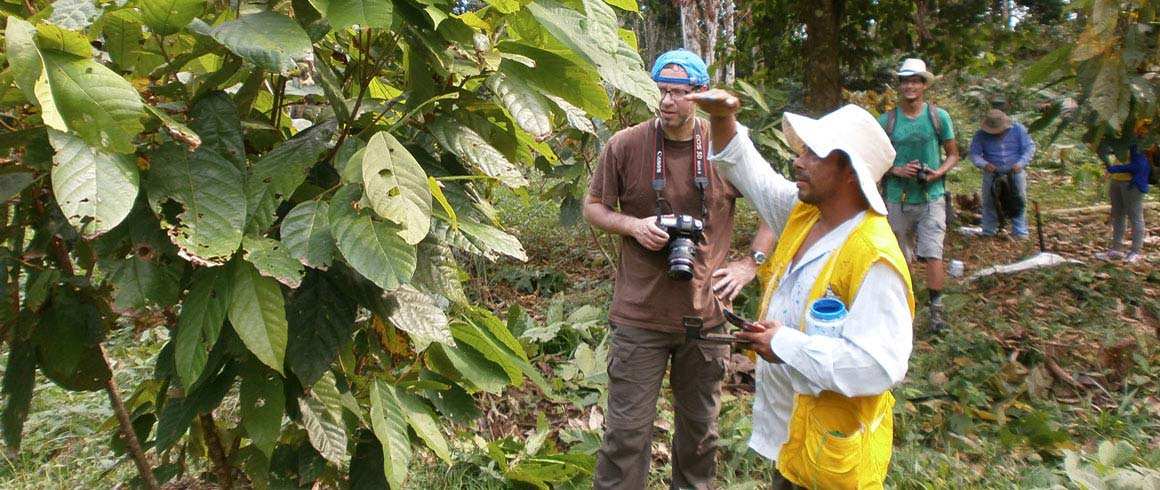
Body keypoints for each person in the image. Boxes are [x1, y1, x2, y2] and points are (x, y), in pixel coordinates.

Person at [687, 92, 914, 489]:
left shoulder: (872, 256)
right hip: (798, 440)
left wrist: (786, 345)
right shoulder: (805, 214)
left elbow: (879, 366)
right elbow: (747, 169)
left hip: (832, 451)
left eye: (814, 154)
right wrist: (723, 118)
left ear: (850, 172)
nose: (798, 160)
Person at [582, 49, 772, 490]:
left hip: (705, 319)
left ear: (700, 96)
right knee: (625, 436)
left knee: (700, 436)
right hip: (639, 316)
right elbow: (593, 206)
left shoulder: (726, 149)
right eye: (661, 92)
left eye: (679, 94)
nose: (667, 102)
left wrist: (749, 264)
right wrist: (632, 225)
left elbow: (776, 208)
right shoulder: (626, 145)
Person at [877, 58, 958, 333]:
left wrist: (937, 173)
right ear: (900, 86)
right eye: (905, 80)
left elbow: (954, 154)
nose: (910, 85)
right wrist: (896, 170)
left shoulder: (938, 117)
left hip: (931, 196)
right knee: (901, 255)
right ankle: (905, 307)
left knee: (933, 252)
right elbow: (873, 158)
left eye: (915, 80)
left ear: (924, 85)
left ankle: (936, 312)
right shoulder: (887, 120)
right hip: (897, 198)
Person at [967, 109, 1037, 238]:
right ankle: (988, 231)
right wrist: (984, 164)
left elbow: (1029, 148)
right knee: (989, 200)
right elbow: (974, 153)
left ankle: (1020, 232)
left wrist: (1021, 163)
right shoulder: (981, 135)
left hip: (1015, 171)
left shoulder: (1019, 130)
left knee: (1019, 200)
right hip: (993, 172)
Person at [1095, 143, 1150, 263]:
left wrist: (1115, 169)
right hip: (1117, 180)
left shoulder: (1137, 142)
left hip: (1132, 184)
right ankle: (1117, 249)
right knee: (1118, 215)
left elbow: (1139, 165)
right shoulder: (1118, 139)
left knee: (1135, 217)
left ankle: (1135, 251)